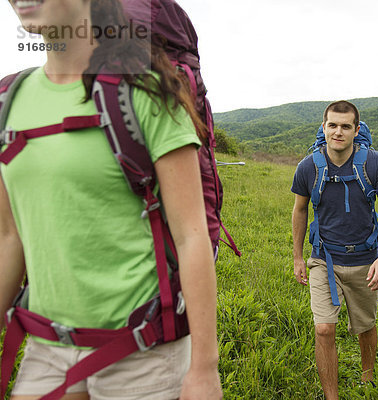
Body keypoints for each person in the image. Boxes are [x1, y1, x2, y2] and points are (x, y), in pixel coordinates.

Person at [0, 0, 222, 399]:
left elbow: (192, 238)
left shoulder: (148, 93)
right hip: (47, 348)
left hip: (145, 354)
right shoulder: (8, 101)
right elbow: (8, 238)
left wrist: (204, 368)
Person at [291, 100, 378, 399]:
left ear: (355, 130)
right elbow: (299, 210)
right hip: (323, 258)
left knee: (365, 325)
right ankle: (332, 396)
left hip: (365, 258)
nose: (338, 131)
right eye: (333, 125)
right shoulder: (308, 166)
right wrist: (299, 257)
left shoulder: (373, 163)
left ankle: (367, 376)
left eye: (345, 126)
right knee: (324, 329)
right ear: (324, 127)